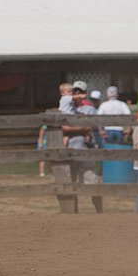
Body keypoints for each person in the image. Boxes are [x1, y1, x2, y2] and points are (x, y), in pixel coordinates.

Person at [61, 81, 103, 213]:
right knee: (70, 182)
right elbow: (63, 127)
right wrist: (81, 128)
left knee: (93, 182)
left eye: (80, 91)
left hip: (85, 150)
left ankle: (99, 211)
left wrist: (72, 129)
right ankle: (73, 213)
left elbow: (90, 126)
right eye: (75, 91)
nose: (77, 93)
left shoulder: (89, 109)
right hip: (69, 150)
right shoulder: (67, 106)